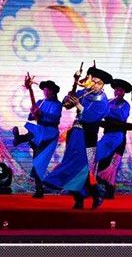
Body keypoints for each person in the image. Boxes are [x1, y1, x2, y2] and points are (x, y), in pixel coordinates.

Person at [44, 64, 111, 209]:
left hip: (89, 136)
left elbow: (93, 117)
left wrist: (79, 106)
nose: (95, 85)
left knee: (83, 167)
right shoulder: (84, 92)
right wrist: (74, 85)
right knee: (71, 162)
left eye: (98, 83)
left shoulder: (103, 101)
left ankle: (96, 194)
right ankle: (79, 198)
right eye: (93, 81)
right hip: (76, 132)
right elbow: (67, 104)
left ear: (103, 85)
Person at [12, 75, 62, 198]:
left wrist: (41, 113)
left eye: (48, 90)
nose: (46, 92)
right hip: (39, 133)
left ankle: (20, 139)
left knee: (40, 161)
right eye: (45, 90)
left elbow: (54, 118)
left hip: (49, 134)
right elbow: (30, 117)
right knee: (37, 161)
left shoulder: (57, 104)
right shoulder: (40, 102)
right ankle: (39, 190)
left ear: (53, 92)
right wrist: (33, 112)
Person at [96, 78, 132, 199]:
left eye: (120, 90)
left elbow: (121, 116)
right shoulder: (108, 102)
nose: (118, 92)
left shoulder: (126, 105)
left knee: (113, 163)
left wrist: (107, 111)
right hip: (107, 135)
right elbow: (100, 112)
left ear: (124, 93)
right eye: (116, 89)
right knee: (102, 160)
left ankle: (110, 190)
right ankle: (99, 187)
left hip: (119, 137)